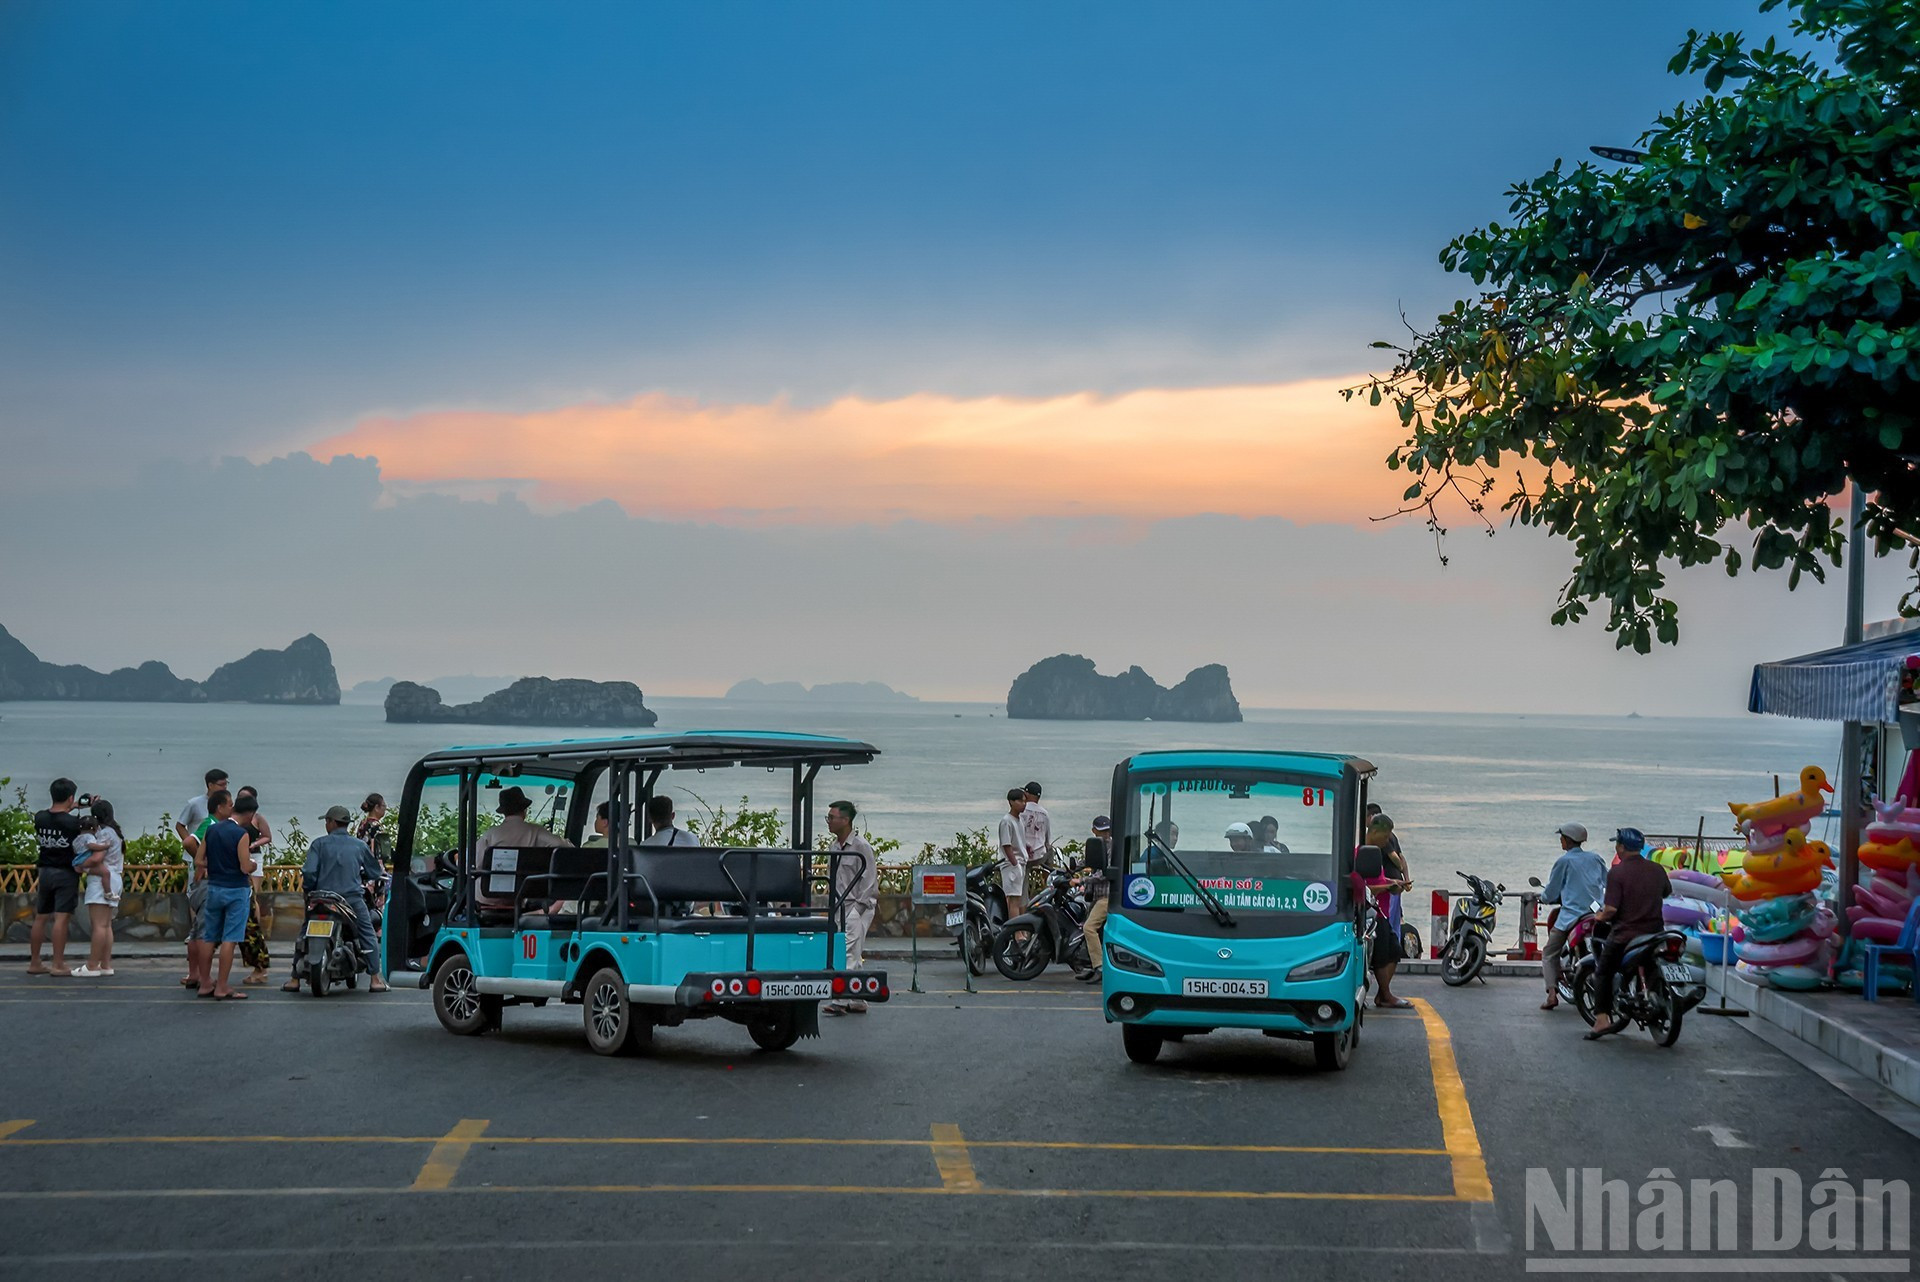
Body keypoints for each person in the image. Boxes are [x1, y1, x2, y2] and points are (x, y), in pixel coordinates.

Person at [285, 805, 388, 993]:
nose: (326, 824)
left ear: (332, 822)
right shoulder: (359, 845)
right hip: (350, 900)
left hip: (320, 899)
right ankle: (375, 979)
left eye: (327, 821)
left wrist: (309, 890)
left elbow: (309, 872)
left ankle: (294, 980)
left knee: (304, 932)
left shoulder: (319, 844)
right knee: (367, 932)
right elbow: (374, 871)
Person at [1584, 827, 1673, 1041]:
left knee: (1603, 971)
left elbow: (1611, 909)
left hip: (1626, 935)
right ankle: (1653, 994)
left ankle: (1602, 1019)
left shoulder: (1618, 872)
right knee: (1650, 962)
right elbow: (1666, 892)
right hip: (1655, 932)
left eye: (1617, 844)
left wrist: (1599, 917)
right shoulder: (1657, 869)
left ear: (1621, 847)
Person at [1539, 822, 1606, 1012]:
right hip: (1596, 913)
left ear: (1567, 840)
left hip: (1571, 915)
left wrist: (1543, 898)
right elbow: (1606, 881)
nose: (1560, 840)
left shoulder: (1564, 861)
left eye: (1561, 838)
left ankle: (1552, 995)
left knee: (1549, 952)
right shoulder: (1596, 858)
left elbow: (1551, 892)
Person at [196, 791, 256, 1000]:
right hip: (236, 890)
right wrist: (254, 864)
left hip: (214, 888)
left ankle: (205, 983)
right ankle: (222, 986)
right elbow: (244, 866)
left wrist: (214, 865)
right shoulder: (241, 834)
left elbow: (198, 860)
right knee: (229, 938)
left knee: (209, 936)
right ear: (249, 814)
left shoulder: (212, 830)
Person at [175, 768, 228, 989]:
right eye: (221, 784)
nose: (224, 787)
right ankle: (202, 977)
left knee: (200, 926)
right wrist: (200, 858)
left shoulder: (220, 817)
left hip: (207, 867)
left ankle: (197, 975)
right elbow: (182, 828)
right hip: (203, 869)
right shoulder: (198, 807)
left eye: (226, 784)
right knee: (201, 924)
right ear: (209, 785)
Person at [823, 800, 877, 1016]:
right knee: (850, 951)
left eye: (832, 817)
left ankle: (840, 1000)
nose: (828, 821)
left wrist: (858, 909)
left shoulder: (861, 847)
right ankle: (857, 999)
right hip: (839, 907)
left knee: (848, 953)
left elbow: (870, 881)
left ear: (845, 821)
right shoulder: (834, 847)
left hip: (856, 907)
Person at [29, 778, 83, 976]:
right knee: (61, 918)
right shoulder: (73, 823)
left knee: (41, 917)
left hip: (44, 871)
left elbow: (55, 816)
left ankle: (35, 962)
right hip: (66, 872)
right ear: (71, 797)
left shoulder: (40, 817)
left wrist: (70, 806)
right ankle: (58, 964)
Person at [71, 798, 126, 978]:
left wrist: (81, 866)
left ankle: (92, 965)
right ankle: (105, 964)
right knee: (106, 925)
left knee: (98, 926)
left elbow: (96, 858)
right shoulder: (117, 833)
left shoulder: (104, 834)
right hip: (115, 878)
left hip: (100, 881)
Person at [1366, 815, 1413, 1009]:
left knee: (1393, 949)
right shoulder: (1363, 854)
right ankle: (1385, 995)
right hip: (1370, 912)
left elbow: (1379, 879)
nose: (1387, 843)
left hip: (1381, 910)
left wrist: (1394, 883)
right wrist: (1388, 886)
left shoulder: (1376, 854)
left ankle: (1383, 994)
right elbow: (1365, 887)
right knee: (1385, 952)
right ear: (1374, 832)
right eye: (1385, 838)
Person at [236, 786, 274, 986]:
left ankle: (254, 925)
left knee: (252, 896)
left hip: (253, 856)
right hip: (240, 861)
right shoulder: (232, 823)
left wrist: (253, 845)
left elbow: (268, 836)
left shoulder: (257, 818)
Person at [1077, 816, 1112, 983]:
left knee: (1089, 928)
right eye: (1102, 830)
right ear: (1094, 830)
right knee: (1087, 927)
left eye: (1107, 830)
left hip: (1107, 895)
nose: (1105, 834)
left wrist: (1082, 880)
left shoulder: (1112, 848)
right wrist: (1071, 868)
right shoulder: (1095, 846)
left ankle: (1099, 967)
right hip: (1096, 895)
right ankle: (1090, 965)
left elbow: (1104, 874)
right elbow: (1088, 862)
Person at [998, 788, 1030, 918]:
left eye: (1024, 801)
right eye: (1020, 801)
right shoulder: (1007, 821)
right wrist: (1015, 863)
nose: (1024, 804)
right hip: (1012, 865)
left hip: (1021, 862)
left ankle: (1021, 930)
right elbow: (1007, 845)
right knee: (1014, 901)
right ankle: (1016, 932)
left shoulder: (1020, 820)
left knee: (1020, 899)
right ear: (1011, 802)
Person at [1020, 781, 1053, 870]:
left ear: (1026, 794)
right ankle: (1047, 878)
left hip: (1022, 855)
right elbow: (1047, 839)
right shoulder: (1044, 813)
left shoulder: (1021, 810)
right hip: (1038, 856)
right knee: (1050, 851)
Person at [355, 793, 391, 869]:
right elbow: (384, 853)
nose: (385, 809)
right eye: (384, 806)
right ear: (377, 807)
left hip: (362, 865)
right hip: (374, 868)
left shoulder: (363, 824)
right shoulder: (376, 826)